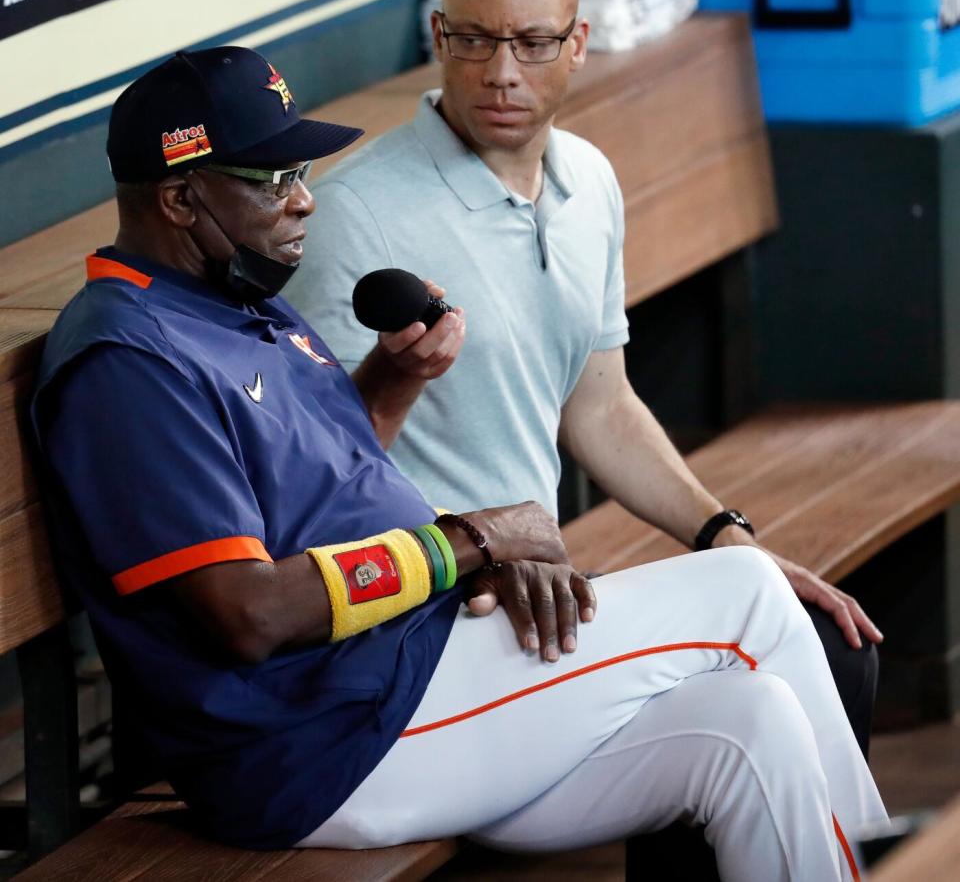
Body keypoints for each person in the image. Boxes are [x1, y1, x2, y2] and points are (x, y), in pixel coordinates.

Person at [32, 45, 886, 882]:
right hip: (323, 739)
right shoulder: (128, 361)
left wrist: (394, 381)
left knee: (751, 722)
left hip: (406, 676)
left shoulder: (227, 298)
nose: (302, 203)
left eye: (300, 176)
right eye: (272, 182)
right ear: (181, 197)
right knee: (745, 590)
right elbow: (247, 613)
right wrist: (472, 540)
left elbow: (322, 488)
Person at [284, 0, 882, 757]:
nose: (500, 73)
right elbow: (322, 480)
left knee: (817, 646)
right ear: (436, 34)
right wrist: (476, 549)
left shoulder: (589, 180)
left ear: (578, 44)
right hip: (448, 613)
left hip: (552, 593)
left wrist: (731, 544)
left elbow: (599, 405)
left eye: (532, 42)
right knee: (772, 684)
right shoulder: (358, 216)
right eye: (474, 39)